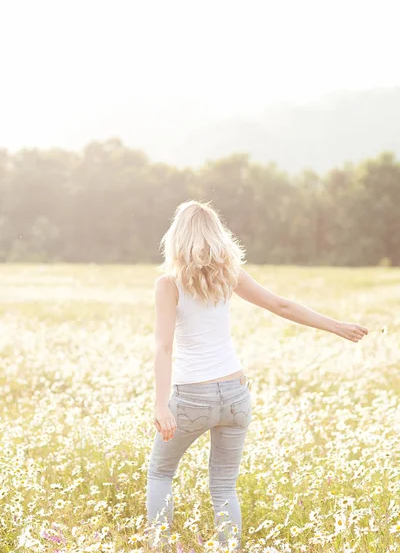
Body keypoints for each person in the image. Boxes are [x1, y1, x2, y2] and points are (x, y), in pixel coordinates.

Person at [146, 200, 368, 550]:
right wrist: (335, 325)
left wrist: (161, 405)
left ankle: (157, 546)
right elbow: (281, 305)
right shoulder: (230, 274)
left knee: (160, 473)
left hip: (192, 397)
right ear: (217, 237)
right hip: (236, 394)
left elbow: (163, 347)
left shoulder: (168, 284)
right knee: (223, 485)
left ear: (176, 238)